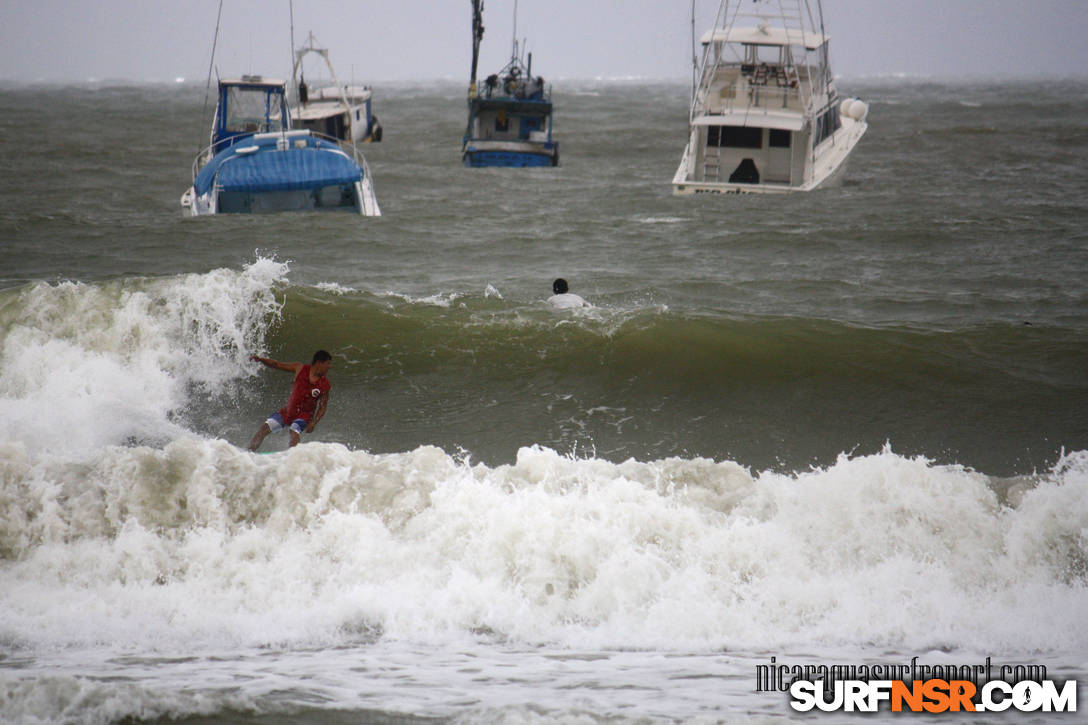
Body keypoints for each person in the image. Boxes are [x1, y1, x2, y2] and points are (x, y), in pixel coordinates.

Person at [248, 350, 333, 451]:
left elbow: (323, 407)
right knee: (264, 429)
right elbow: (277, 364)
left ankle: (291, 458)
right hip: (288, 412)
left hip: (304, 416)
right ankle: (248, 453)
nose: (329, 366)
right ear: (319, 362)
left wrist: (314, 422)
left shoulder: (325, 384)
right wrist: (261, 360)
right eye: (328, 363)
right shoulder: (300, 368)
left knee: (294, 431)